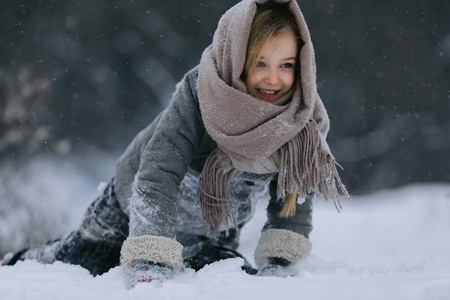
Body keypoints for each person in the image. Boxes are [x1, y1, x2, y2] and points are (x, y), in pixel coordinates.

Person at [2, 0, 348, 288]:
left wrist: (280, 257)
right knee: (79, 262)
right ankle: (19, 261)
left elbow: (293, 193)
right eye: (259, 63)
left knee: (226, 277)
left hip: (213, 228)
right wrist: (151, 255)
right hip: (132, 205)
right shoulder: (202, 95)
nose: (274, 78)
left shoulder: (300, 119)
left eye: (286, 65)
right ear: (234, 59)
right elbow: (157, 174)